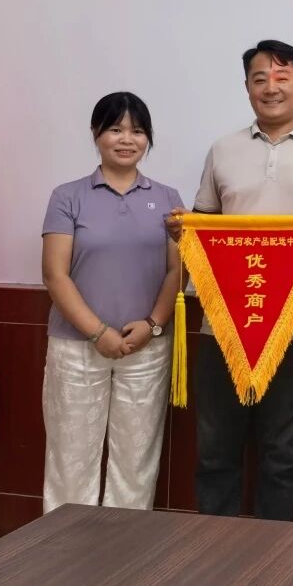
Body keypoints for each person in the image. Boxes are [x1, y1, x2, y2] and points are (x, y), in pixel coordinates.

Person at [168, 40, 293, 520]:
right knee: (216, 454)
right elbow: (204, 226)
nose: (271, 88)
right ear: (247, 87)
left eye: (282, 78)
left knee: (282, 457)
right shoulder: (223, 150)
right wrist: (183, 231)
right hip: (223, 328)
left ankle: (272, 555)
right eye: (260, 79)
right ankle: (215, 549)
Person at [41, 92, 182, 512]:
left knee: (135, 463)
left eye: (137, 131)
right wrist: (98, 332)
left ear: (148, 138)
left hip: (147, 348)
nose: (126, 139)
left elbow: (178, 271)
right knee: (70, 460)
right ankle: (66, 547)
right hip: (76, 348)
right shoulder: (68, 196)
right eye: (115, 129)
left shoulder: (168, 199)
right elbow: (55, 274)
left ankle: (126, 548)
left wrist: (152, 325)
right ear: (96, 134)